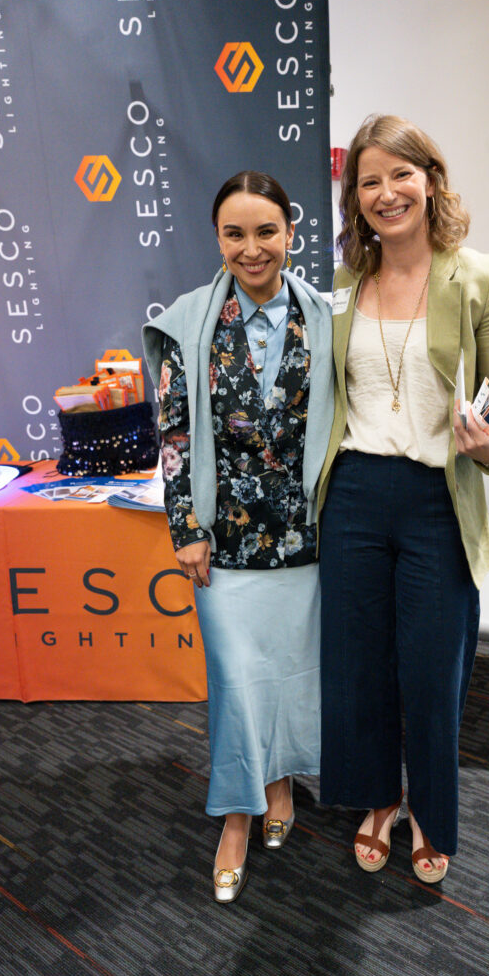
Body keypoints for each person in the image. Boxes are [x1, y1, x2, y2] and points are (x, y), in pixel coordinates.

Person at [316, 115, 489, 883]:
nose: (386, 193)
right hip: (354, 494)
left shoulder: (480, 277)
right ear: (354, 197)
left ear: (430, 180)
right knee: (358, 668)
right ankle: (378, 799)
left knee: (433, 675)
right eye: (368, 181)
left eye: (400, 175)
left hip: (438, 496)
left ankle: (431, 811)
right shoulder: (343, 283)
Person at [143, 171, 333, 904]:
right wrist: (185, 528)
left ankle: (279, 781)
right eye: (235, 233)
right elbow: (173, 436)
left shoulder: (327, 317)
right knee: (234, 679)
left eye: (266, 231)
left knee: (290, 673)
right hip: (221, 544)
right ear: (217, 238)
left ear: (290, 232)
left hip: (306, 539)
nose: (252, 248)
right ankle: (234, 813)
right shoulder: (188, 322)